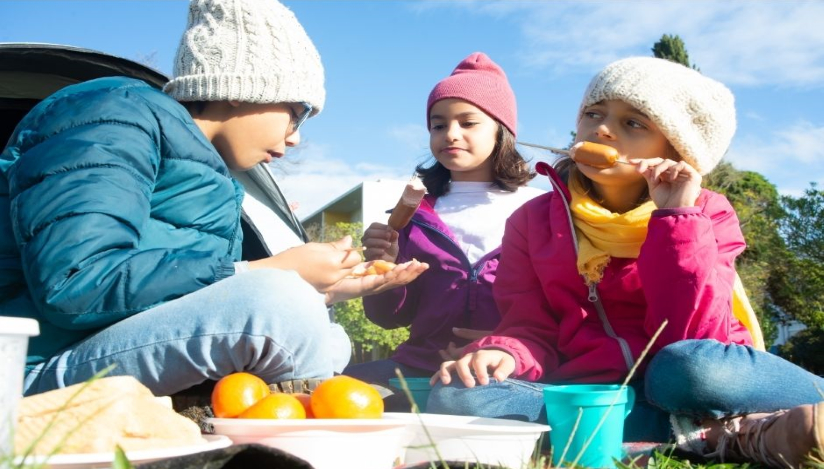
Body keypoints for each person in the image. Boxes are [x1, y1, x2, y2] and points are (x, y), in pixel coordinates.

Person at [1, 0, 426, 399]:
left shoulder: (217, 184)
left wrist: (327, 290)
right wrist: (265, 271)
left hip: (88, 352)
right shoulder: (115, 115)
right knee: (279, 304)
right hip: (29, 366)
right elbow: (74, 283)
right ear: (245, 87)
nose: (296, 138)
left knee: (326, 331)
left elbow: (167, 296)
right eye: (297, 114)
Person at [427, 56, 824, 467]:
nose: (601, 129)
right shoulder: (532, 221)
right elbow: (531, 326)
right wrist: (505, 353)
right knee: (458, 393)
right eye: (593, 114)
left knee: (685, 369)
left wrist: (677, 220)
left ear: (674, 149)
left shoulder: (709, 212)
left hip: (691, 376)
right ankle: (718, 436)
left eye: (633, 123)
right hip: (595, 393)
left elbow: (692, 334)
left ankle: (707, 427)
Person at [343, 52, 543, 409]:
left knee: (460, 401)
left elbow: (557, 304)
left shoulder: (541, 211)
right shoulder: (415, 216)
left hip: (502, 370)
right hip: (417, 366)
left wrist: (506, 344)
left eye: (468, 123)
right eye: (438, 125)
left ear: (502, 130)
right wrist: (384, 270)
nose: (450, 134)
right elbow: (390, 317)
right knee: (333, 391)